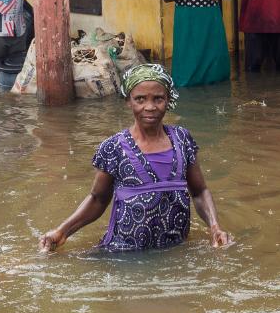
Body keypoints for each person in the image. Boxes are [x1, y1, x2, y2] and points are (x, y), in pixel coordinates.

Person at [40, 64, 231, 254]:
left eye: (158, 99)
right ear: (128, 102)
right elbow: (98, 199)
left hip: (175, 250)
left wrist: (215, 228)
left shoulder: (182, 140)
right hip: (124, 253)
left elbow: (199, 192)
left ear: (168, 100)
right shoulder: (114, 147)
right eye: (140, 99)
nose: (150, 107)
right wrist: (61, 232)